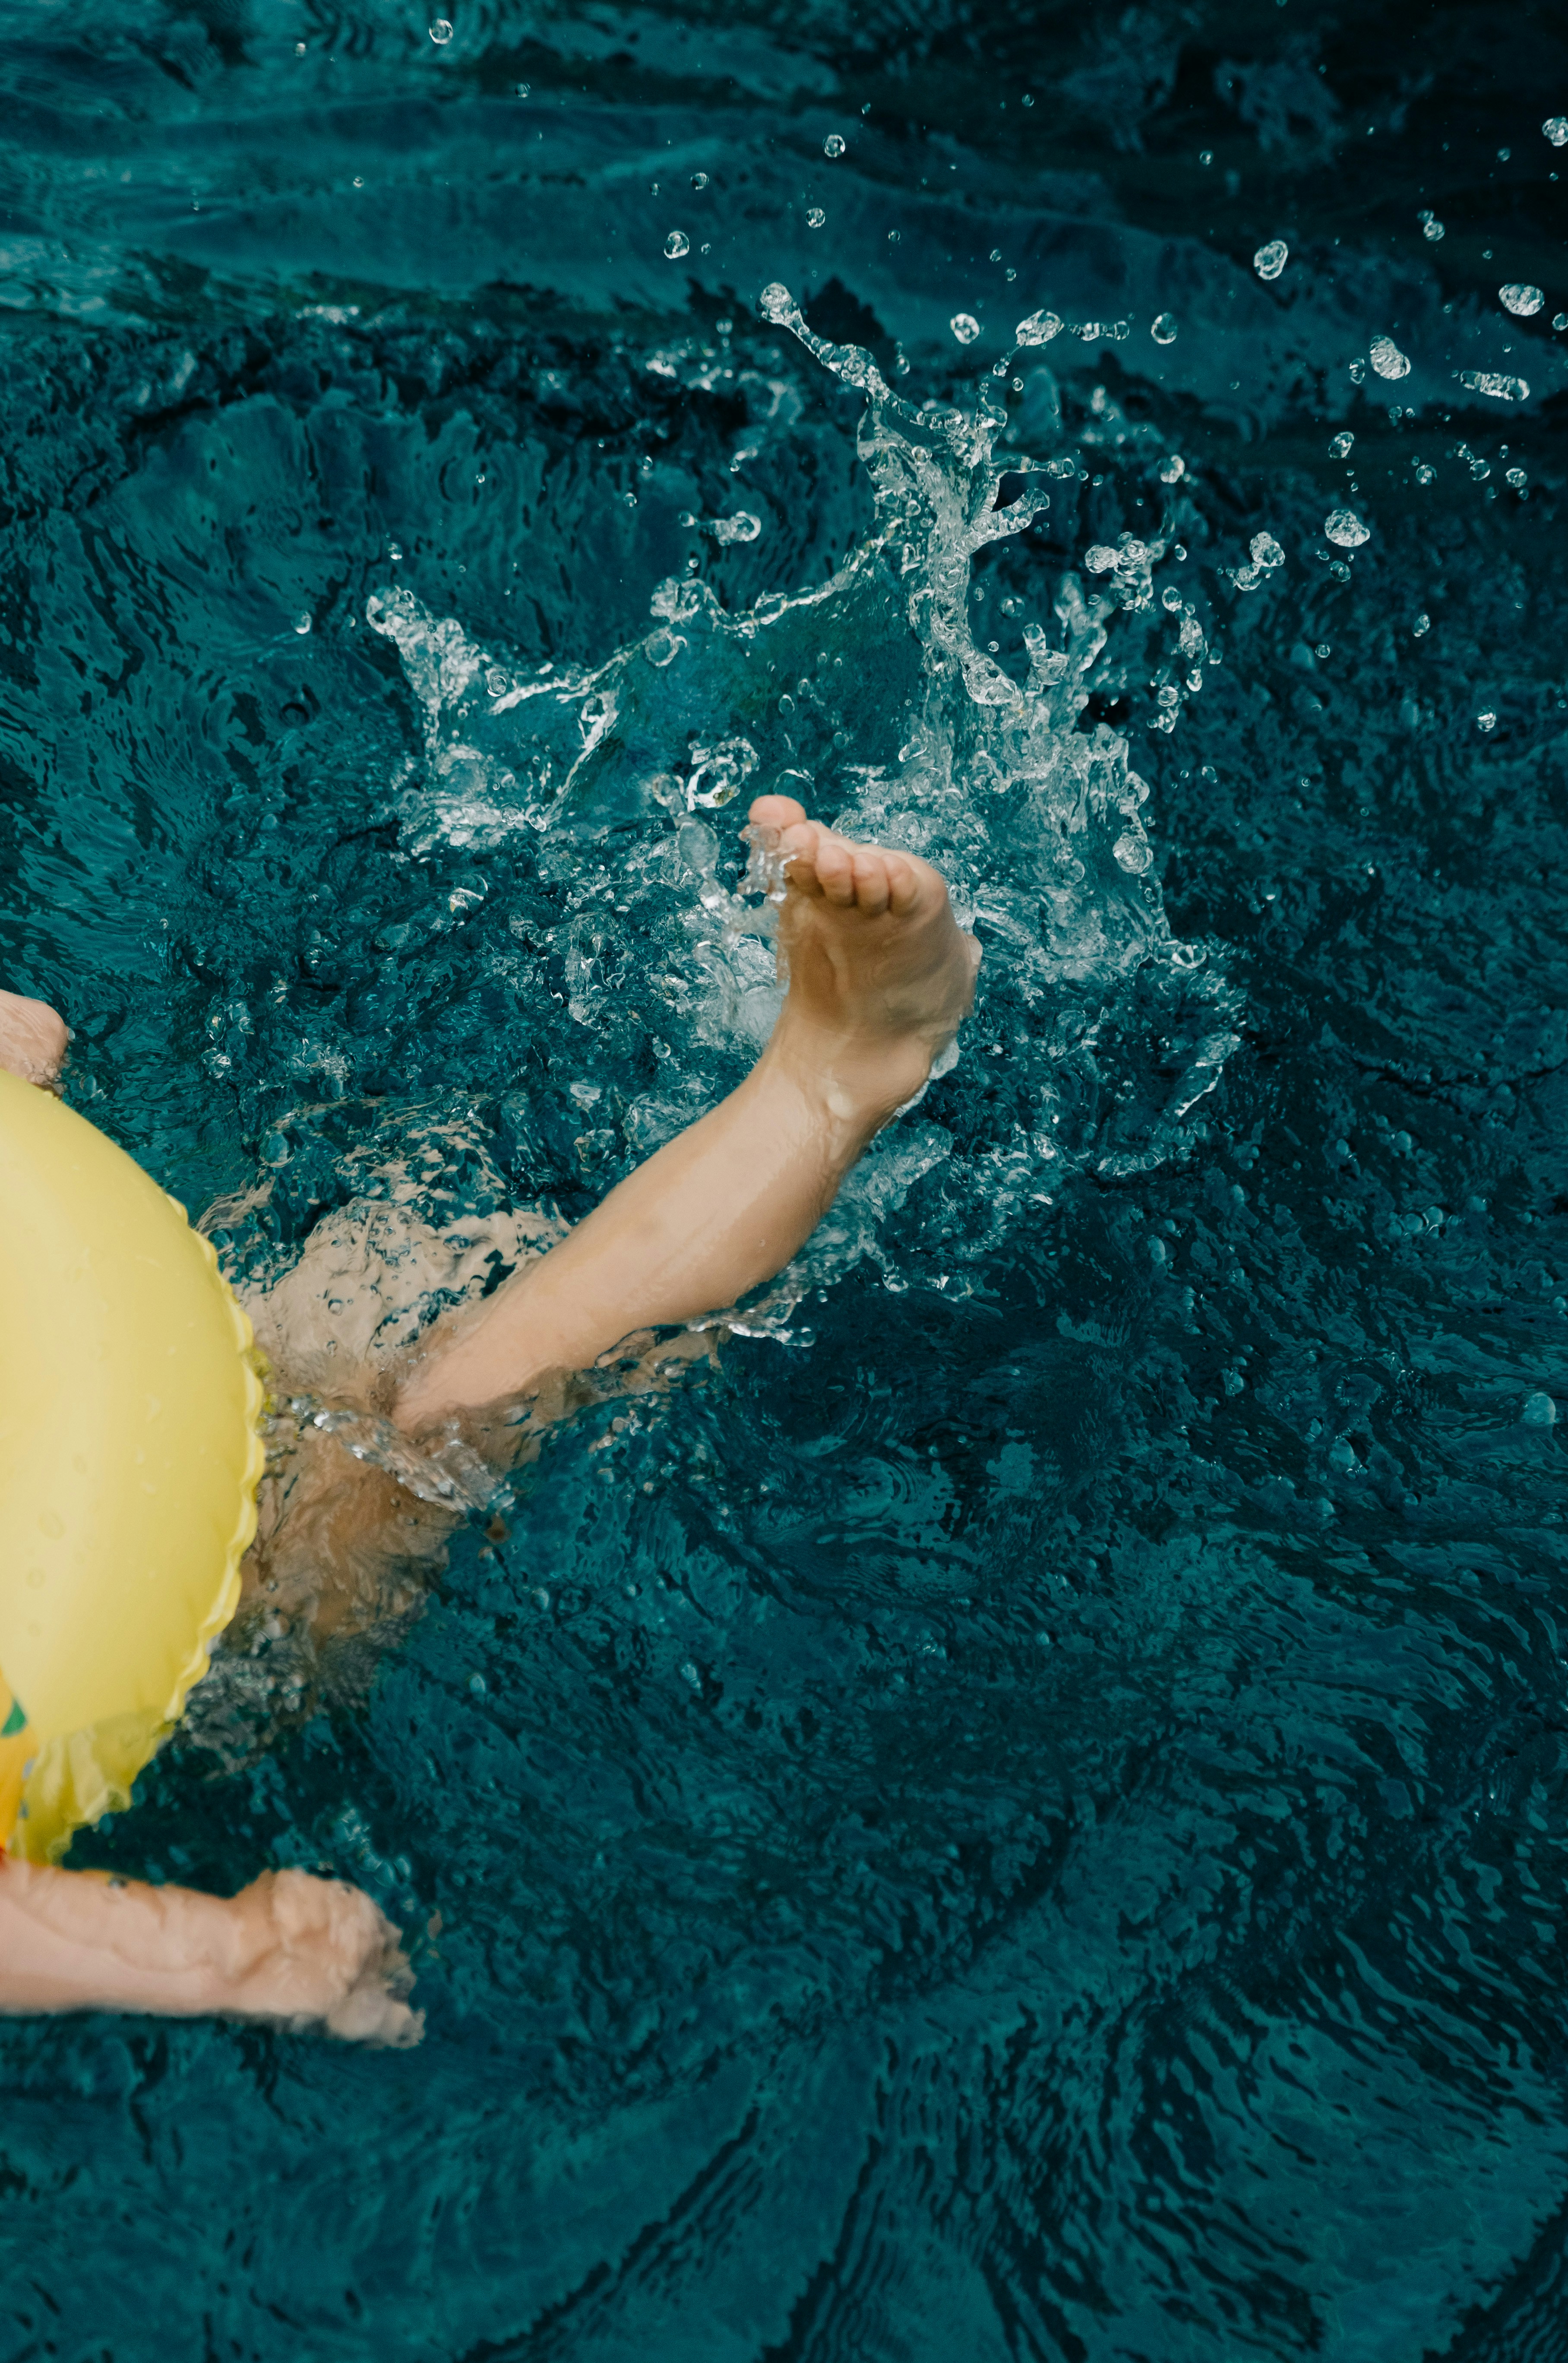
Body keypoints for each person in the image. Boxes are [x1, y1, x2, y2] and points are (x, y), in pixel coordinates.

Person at [0, 796, 980, 2041]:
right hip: (99, 1599)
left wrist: (232, 1964)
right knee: (417, 1419)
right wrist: (220, 1958)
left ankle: (829, 1079)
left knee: (368, 1335)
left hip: (67, 1428)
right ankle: (832, 1076)